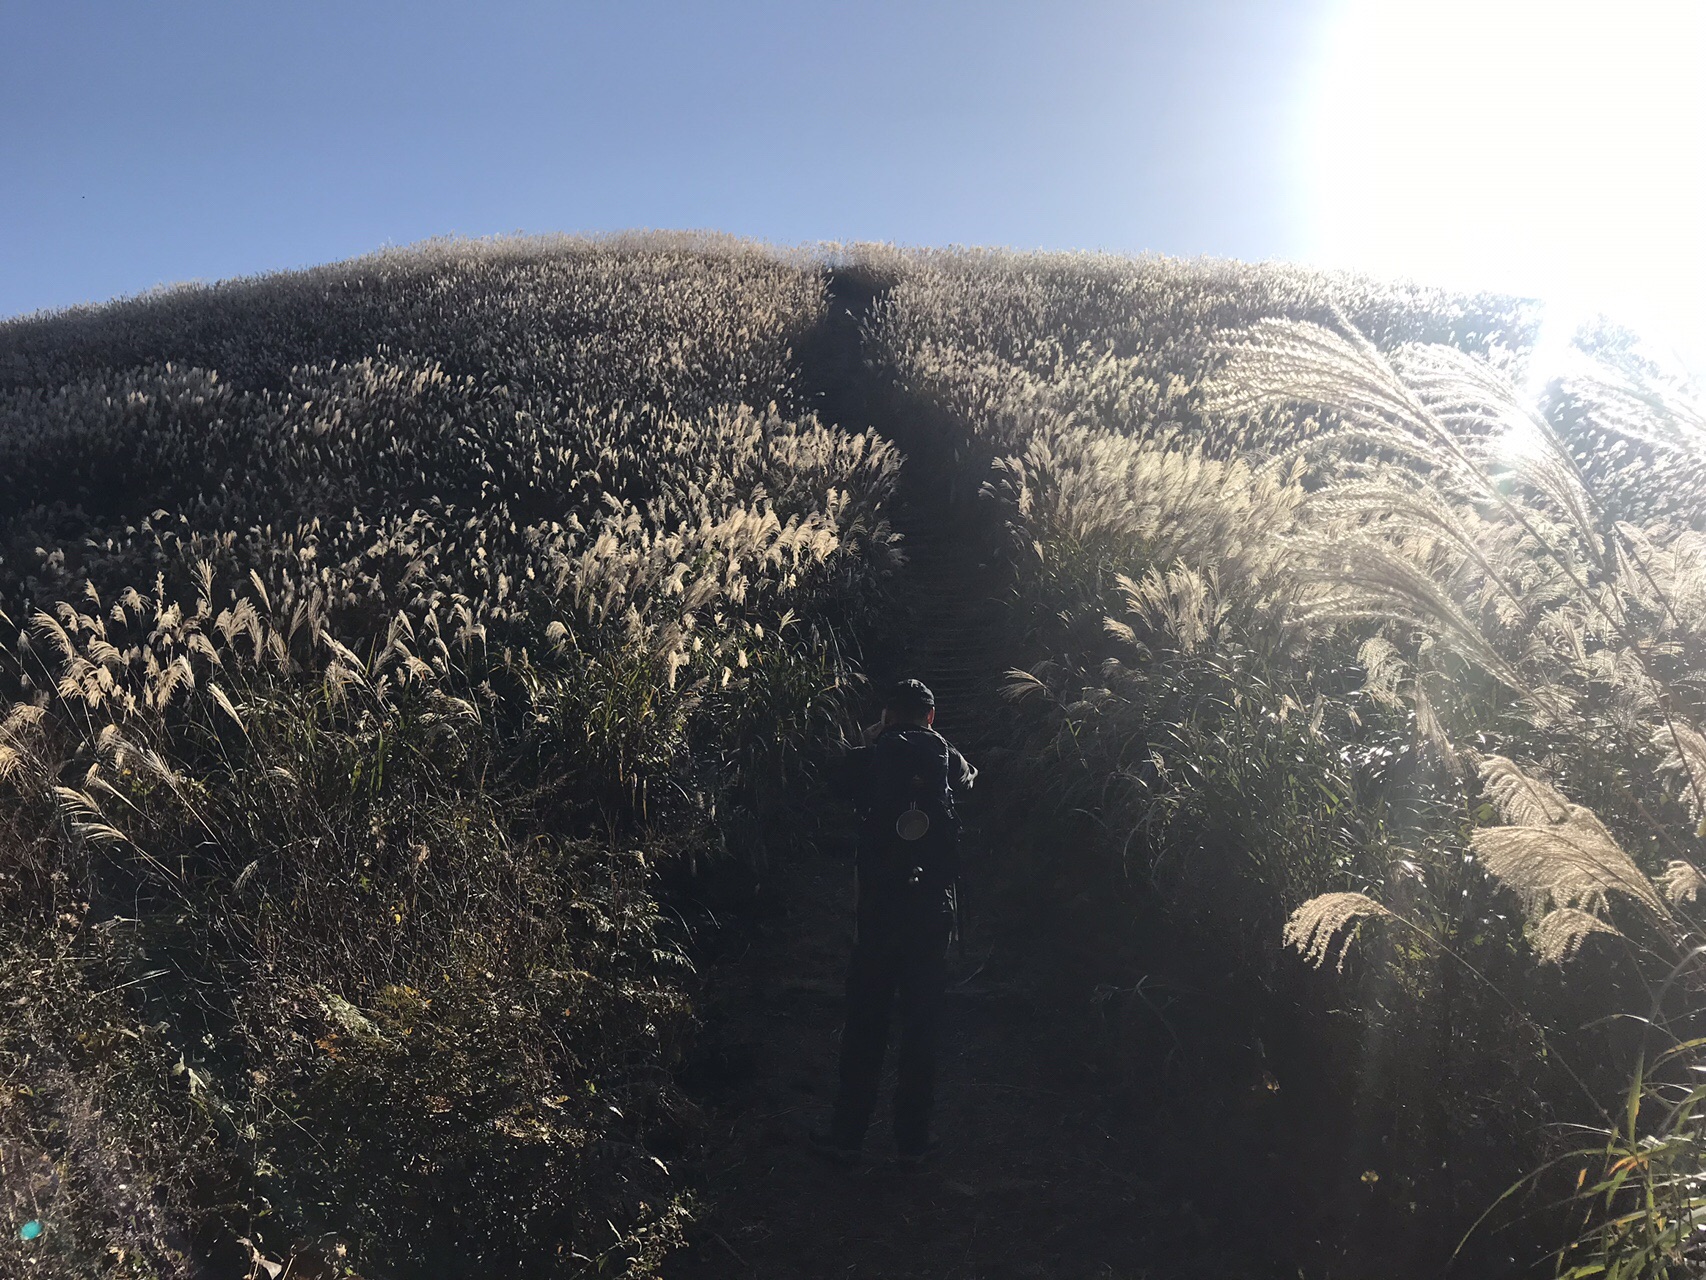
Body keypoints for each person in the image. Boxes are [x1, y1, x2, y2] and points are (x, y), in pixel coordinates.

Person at [812, 678, 977, 1168]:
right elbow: (971, 781)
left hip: (879, 913)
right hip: (931, 911)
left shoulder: (869, 757)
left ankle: (847, 1136)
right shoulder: (947, 756)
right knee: (922, 1026)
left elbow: (832, 781)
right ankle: (913, 1140)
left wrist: (869, 745)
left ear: (887, 716)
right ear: (930, 717)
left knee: (866, 1022)